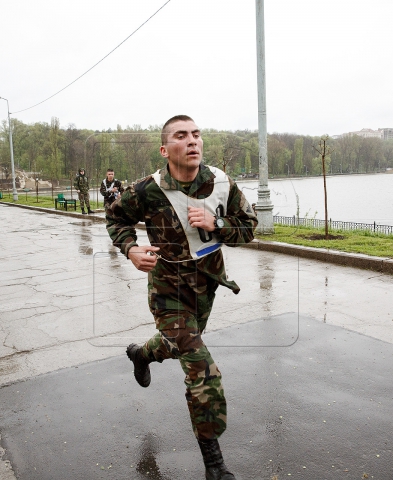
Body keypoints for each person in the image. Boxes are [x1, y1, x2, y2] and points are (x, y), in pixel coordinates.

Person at [106, 115, 257, 479]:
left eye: (196, 134)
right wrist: (130, 249)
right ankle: (215, 466)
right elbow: (115, 218)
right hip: (167, 288)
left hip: (206, 284)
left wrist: (216, 224)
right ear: (165, 149)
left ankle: (141, 354)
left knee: (176, 345)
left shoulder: (220, 183)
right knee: (200, 365)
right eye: (181, 136)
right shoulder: (148, 190)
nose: (192, 141)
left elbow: (250, 228)